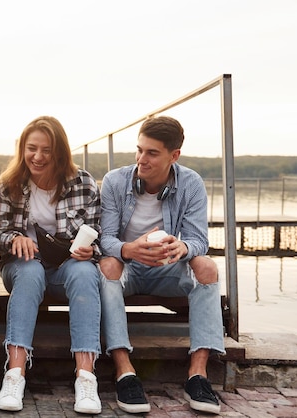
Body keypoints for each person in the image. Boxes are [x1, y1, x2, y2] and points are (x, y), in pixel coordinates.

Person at [98, 116, 225, 415]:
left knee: (206, 267)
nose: (142, 159)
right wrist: (128, 249)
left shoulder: (191, 182)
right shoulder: (115, 181)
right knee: (106, 266)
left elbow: (198, 240)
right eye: (139, 150)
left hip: (167, 268)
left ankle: (198, 374)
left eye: (152, 153)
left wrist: (182, 247)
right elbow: (105, 239)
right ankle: (124, 371)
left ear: (174, 155)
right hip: (127, 268)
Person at [0, 116, 103, 414]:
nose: (38, 157)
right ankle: (14, 374)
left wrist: (89, 250)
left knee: (84, 272)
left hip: (66, 268)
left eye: (47, 150)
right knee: (30, 270)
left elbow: (99, 235)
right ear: (22, 149)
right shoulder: (10, 184)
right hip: (23, 267)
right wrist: (15, 238)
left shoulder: (84, 183)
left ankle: (86, 378)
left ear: (60, 152)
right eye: (31, 149)